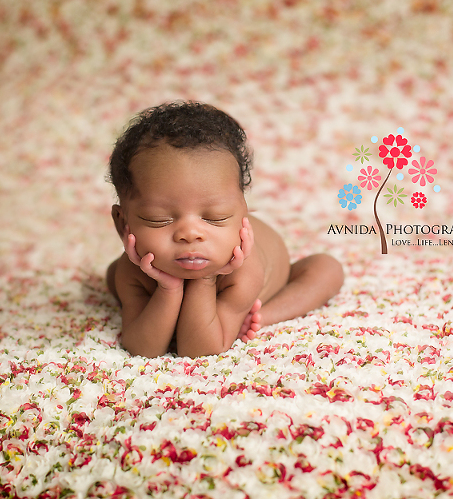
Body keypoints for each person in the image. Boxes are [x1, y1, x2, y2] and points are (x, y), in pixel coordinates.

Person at [106, 101, 344, 358]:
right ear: (122, 223)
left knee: (325, 268)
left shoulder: (242, 272)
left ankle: (262, 314)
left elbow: (199, 350)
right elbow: (142, 348)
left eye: (216, 217)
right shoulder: (134, 271)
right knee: (112, 275)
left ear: (244, 214)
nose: (191, 234)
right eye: (159, 219)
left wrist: (206, 279)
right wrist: (168, 289)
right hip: (151, 275)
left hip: (270, 277)